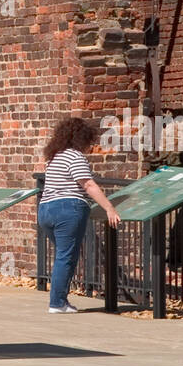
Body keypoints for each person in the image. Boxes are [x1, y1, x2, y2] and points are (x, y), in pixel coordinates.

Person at [38, 115, 121, 313]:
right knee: (66, 257)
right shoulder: (75, 156)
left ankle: (60, 300)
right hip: (68, 209)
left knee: (62, 255)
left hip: (45, 210)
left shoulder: (54, 157)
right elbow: (88, 184)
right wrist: (109, 207)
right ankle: (57, 303)